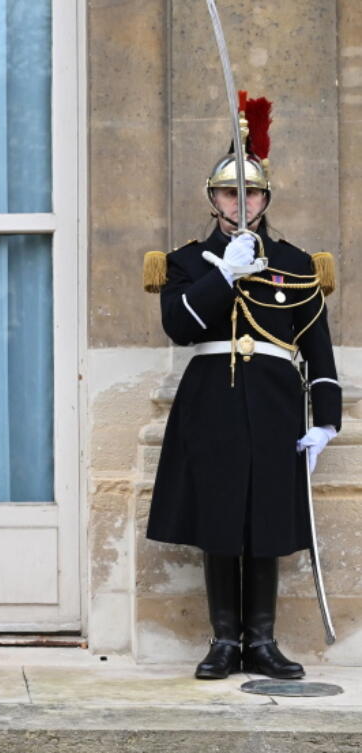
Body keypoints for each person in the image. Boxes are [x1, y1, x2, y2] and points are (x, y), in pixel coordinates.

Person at [144, 95, 340, 680]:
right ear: (213, 199)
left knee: (267, 521)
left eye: (251, 193)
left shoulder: (299, 263)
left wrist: (326, 420)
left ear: (265, 199)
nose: (241, 202)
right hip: (213, 402)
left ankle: (263, 641)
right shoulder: (187, 260)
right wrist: (223, 273)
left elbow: (318, 348)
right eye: (230, 193)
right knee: (221, 519)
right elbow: (179, 327)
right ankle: (224, 641)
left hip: (277, 406)